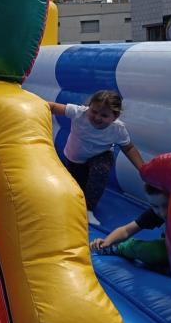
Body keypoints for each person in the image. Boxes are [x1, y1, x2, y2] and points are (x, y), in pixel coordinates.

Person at [49, 90, 145, 226]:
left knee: (101, 169)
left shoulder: (118, 129)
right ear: (89, 107)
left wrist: (142, 169)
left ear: (115, 116)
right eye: (94, 111)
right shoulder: (79, 112)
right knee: (76, 187)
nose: (97, 117)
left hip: (100, 156)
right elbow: (52, 107)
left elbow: (128, 148)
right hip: (76, 157)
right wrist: (31, 105)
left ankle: (88, 209)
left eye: (104, 115)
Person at [90, 183, 170, 273]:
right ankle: (118, 248)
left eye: (166, 205)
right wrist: (107, 242)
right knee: (153, 250)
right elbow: (126, 230)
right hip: (168, 248)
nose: (162, 212)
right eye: (155, 206)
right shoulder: (154, 214)